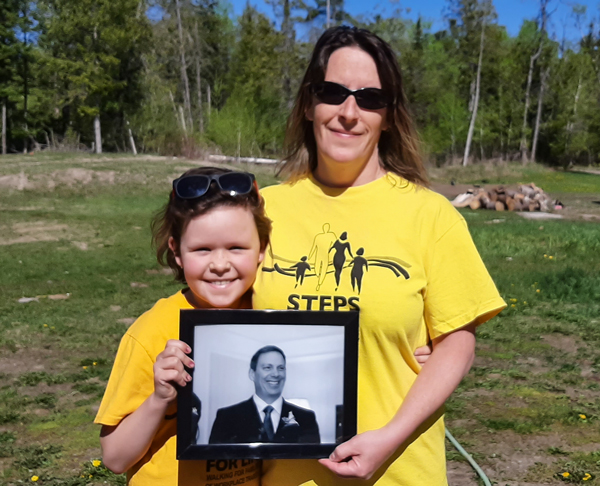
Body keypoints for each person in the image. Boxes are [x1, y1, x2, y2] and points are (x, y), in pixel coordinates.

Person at [253, 26, 506, 486]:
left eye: (370, 99)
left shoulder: (430, 215)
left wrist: (389, 436)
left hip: (398, 472)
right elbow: (217, 309)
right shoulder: (263, 210)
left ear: (388, 116)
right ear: (309, 103)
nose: (349, 113)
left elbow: (458, 340)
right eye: (333, 93)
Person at [94, 167, 269, 486]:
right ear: (176, 252)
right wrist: (160, 398)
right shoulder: (152, 332)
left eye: (236, 248)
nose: (219, 264)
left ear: (262, 248)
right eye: (202, 249)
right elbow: (115, 458)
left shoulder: (272, 319)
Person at [209, 345, 320, 444]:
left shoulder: (307, 418)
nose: (276, 374)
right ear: (252, 374)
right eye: (268, 368)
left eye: (281, 368)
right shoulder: (227, 417)